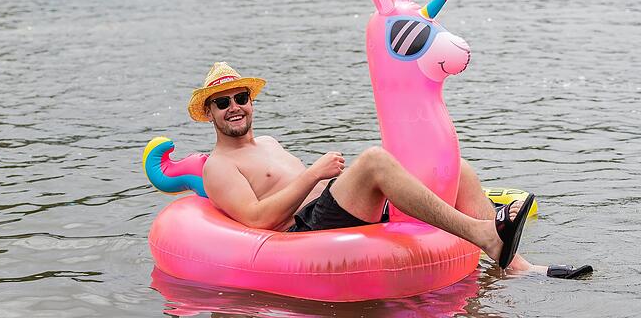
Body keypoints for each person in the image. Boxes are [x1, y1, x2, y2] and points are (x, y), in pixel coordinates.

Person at [189, 62, 593, 279]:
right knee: (375, 159)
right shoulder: (219, 167)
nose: (235, 107)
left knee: (458, 167)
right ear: (210, 113)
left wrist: (330, 179)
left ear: (251, 102)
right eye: (222, 103)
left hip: (332, 211)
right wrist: (313, 174)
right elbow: (259, 218)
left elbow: (308, 188)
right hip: (302, 234)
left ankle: (515, 266)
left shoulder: (270, 144)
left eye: (240, 97)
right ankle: (484, 235)